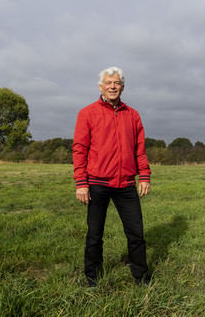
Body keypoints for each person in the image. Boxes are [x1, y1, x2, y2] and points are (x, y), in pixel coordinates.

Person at [72, 66, 151, 287]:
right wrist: (81, 183)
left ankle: (141, 277)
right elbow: (79, 149)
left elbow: (140, 149)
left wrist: (144, 175)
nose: (112, 87)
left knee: (136, 234)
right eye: (108, 83)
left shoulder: (132, 115)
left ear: (122, 87)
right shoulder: (87, 113)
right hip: (97, 182)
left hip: (126, 183)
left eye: (116, 83)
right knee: (94, 234)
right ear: (101, 87)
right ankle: (92, 278)